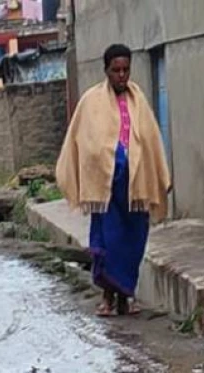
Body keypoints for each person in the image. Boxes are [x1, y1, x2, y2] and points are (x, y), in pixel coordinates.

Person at [56, 44, 171, 318]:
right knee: (106, 244)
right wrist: (106, 161)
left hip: (135, 188)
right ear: (106, 70)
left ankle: (127, 297)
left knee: (132, 242)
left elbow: (152, 140)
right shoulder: (90, 102)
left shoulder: (138, 100)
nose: (121, 75)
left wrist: (160, 176)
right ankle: (107, 298)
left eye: (125, 70)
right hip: (106, 190)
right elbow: (82, 142)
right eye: (115, 70)